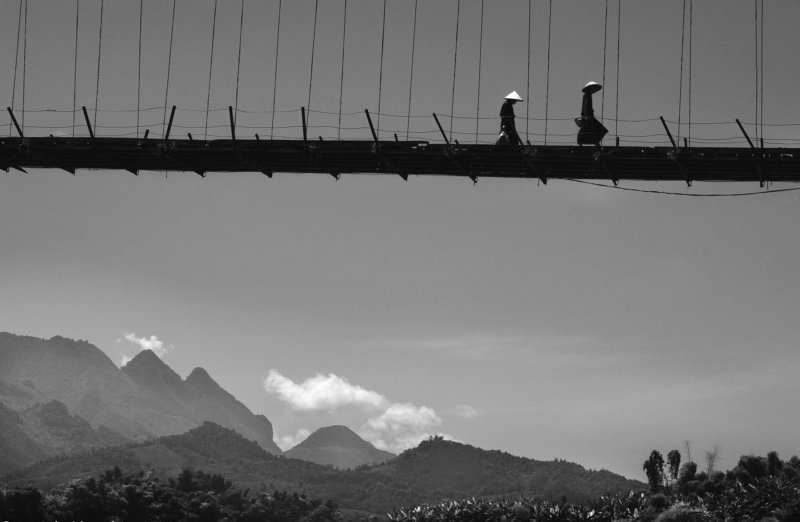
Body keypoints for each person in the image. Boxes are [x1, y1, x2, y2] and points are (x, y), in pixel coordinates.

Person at [575, 81, 608, 146]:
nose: (595, 90)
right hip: (589, 116)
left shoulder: (586, 95)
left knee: (589, 131)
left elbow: (584, 107)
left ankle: (583, 145)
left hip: (588, 116)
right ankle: (596, 145)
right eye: (594, 88)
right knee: (597, 130)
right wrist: (588, 116)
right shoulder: (588, 95)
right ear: (590, 88)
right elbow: (586, 106)